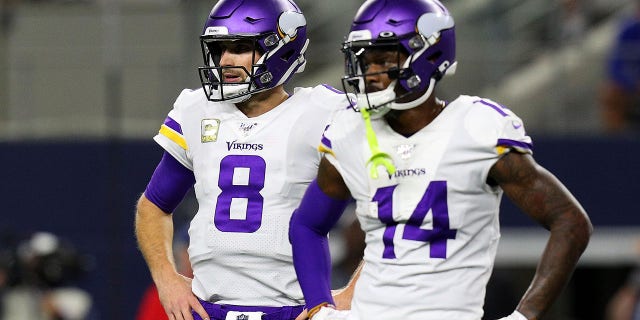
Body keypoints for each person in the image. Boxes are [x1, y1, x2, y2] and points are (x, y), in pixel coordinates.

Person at [288, 0, 593, 319]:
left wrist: (524, 315)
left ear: (429, 54)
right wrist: (319, 305)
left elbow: (570, 223)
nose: (370, 74)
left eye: (382, 59)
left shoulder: (476, 128)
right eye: (364, 61)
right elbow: (307, 224)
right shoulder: (350, 131)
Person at [134, 0, 355, 319]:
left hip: (293, 308)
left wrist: (354, 291)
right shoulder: (197, 110)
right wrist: (166, 278)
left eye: (239, 47)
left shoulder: (323, 112)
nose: (225, 60)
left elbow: (393, 204)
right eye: (220, 48)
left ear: (282, 47)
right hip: (209, 307)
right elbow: (153, 205)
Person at [600, 0, 640, 133]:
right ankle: (616, 141)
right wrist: (631, 83)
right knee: (610, 93)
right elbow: (615, 65)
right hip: (629, 85)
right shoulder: (627, 30)